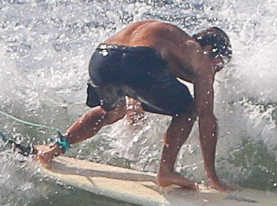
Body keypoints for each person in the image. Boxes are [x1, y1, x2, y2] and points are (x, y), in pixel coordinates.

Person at [36, 20, 236, 191]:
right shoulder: (197, 55)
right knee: (187, 110)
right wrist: (213, 177)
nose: (215, 72)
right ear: (210, 51)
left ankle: (54, 149)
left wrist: (135, 121)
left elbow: (134, 86)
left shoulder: (169, 41)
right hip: (140, 61)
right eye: (219, 65)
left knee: (111, 112)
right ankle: (167, 171)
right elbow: (206, 117)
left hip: (102, 59)